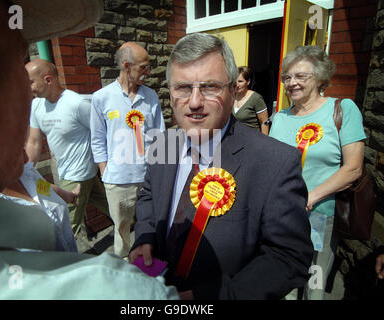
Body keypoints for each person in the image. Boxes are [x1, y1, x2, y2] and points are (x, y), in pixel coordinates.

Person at [0, 0, 178, 299]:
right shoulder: (126, 292)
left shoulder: (84, 102)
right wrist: (105, 170)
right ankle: (93, 254)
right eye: (20, 59)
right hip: (96, 178)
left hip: (111, 177)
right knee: (82, 224)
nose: (28, 90)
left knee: (115, 222)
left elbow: (154, 135)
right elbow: (75, 139)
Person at [129, 32, 314, 300]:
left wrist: (211, 296)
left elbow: (289, 257)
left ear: (232, 90)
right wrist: (144, 237)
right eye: (182, 88)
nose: (194, 102)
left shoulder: (274, 162)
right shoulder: (162, 143)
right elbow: (148, 196)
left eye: (209, 87)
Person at [269, 45, 366, 300]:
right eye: (287, 77)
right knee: (285, 282)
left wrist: (310, 197)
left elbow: (353, 168)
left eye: (301, 76)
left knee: (314, 282)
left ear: (321, 77)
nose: (292, 83)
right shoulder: (280, 117)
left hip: (320, 214)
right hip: (283, 215)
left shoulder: (343, 110)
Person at [90, 42, 166, 258]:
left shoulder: (150, 96)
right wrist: (106, 173)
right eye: (143, 67)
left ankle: (151, 264)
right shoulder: (101, 98)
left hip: (148, 179)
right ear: (126, 66)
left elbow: (159, 136)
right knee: (122, 230)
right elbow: (97, 140)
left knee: (151, 225)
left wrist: (158, 172)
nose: (148, 72)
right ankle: (123, 269)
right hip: (118, 181)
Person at [25, 58, 109, 244]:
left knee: (66, 225)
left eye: (30, 82)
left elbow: (102, 132)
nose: (27, 88)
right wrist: (26, 172)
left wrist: (104, 164)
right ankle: (135, 223)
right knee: (107, 204)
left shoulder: (76, 104)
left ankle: (62, 265)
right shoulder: (37, 105)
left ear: (48, 80)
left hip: (77, 175)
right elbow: (34, 142)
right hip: (70, 171)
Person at [0, 150, 79, 252]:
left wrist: (70, 196)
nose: (26, 158)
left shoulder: (27, 174)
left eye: (22, 147)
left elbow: (46, 189)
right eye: (15, 150)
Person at [232, 66, 270, 135]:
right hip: (236, 139)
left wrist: (263, 142)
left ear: (248, 82)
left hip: (252, 139)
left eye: (240, 81)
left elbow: (264, 122)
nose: (236, 85)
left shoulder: (256, 98)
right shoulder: (231, 97)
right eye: (235, 81)